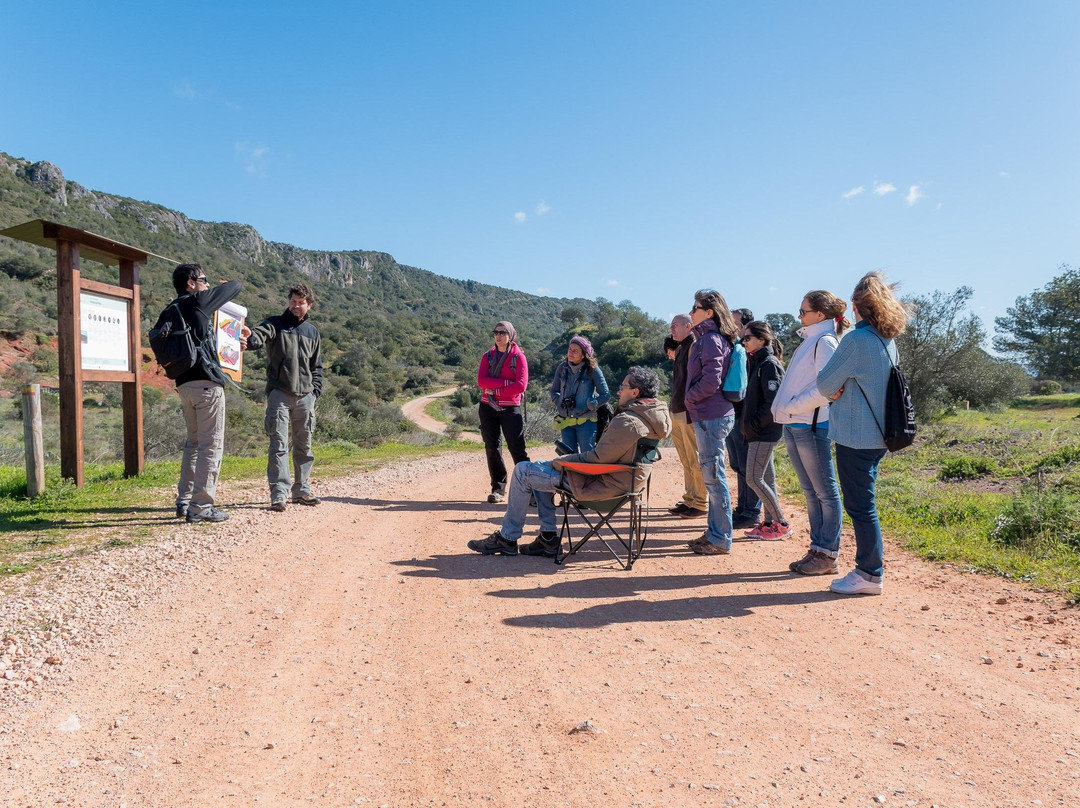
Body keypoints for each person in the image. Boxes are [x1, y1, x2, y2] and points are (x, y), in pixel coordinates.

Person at [467, 367, 671, 557]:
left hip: (602, 486)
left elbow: (598, 459)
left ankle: (507, 538)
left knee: (523, 471)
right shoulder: (655, 417)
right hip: (626, 483)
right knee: (539, 471)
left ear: (635, 392)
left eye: (623, 387)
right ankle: (548, 539)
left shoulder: (629, 421)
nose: (619, 392)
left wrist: (562, 461)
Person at [816, 271, 909, 595]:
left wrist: (837, 389)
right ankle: (870, 570)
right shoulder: (887, 341)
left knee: (860, 506)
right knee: (864, 502)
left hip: (855, 436)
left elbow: (825, 383)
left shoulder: (856, 340)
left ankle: (870, 573)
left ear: (857, 306)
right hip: (879, 435)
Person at [772, 290, 850, 576]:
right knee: (811, 491)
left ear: (820, 314)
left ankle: (828, 554)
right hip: (796, 423)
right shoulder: (812, 340)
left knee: (825, 493)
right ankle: (818, 549)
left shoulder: (825, 341)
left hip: (811, 425)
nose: (799, 315)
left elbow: (827, 388)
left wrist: (792, 406)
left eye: (803, 311)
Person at [240, 283, 324, 512]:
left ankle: (302, 490)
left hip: (306, 397)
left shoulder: (312, 332)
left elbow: (317, 366)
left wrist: (315, 391)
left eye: (301, 302)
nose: (296, 306)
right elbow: (259, 335)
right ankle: (279, 494)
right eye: (293, 301)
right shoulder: (275, 323)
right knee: (278, 445)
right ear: (288, 302)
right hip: (279, 393)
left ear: (309, 305)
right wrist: (250, 338)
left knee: (304, 446)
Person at [171, 263, 242, 524]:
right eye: (204, 279)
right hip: (206, 385)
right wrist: (224, 284)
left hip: (184, 385)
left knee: (193, 444)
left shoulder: (172, 308)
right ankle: (201, 507)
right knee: (210, 445)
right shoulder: (196, 302)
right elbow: (236, 286)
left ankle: (184, 501)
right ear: (191, 283)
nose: (207, 284)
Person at [684, 289, 742, 556]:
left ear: (708, 312)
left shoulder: (709, 339)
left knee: (714, 477)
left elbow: (711, 381)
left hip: (711, 414)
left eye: (695, 308)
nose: (690, 312)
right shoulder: (712, 338)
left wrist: (689, 399)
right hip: (712, 413)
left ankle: (720, 538)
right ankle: (714, 533)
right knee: (712, 476)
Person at [738, 321, 791, 541]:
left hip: (764, 432)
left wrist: (753, 426)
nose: (744, 342)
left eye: (747, 338)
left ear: (761, 339)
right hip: (758, 431)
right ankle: (769, 524)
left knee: (753, 478)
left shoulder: (768, 364)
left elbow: (773, 402)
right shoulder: (757, 362)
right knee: (766, 479)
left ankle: (782, 523)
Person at [477, 321, 530, 503]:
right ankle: (498, 489)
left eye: (503, 332)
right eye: (496, 332)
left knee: (517, 449)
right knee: (492, 447)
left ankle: (531, 490)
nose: (499, 336)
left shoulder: (518, 357)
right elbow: (482, 382)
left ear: (511, 335)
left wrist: (497, 389)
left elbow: (521, 385)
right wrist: (507, 384)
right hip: (487, 407)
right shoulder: (488, 356)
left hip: (510, 408)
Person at [666, 314, 708, 519]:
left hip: (688, 410)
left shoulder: (694, 346)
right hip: (676, 409)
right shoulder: (682, 347)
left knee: (694, 458)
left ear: (688, 326)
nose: (671, 329)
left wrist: (691, 402)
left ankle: (700, 503)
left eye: (675, 326)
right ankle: (690, 499)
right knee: (685, 459)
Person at [727, 308, 762, 529]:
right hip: (734, 416)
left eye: (736, 323)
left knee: (749, 468)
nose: (732, 326)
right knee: (739, 466)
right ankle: (742, 509)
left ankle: (751, 512)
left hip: (745, 420)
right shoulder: (736, 349)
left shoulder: (752, 356)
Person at [549, 335, 610, 453]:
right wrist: (558, 401)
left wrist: (592, 404)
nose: (570, 353)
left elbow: (606, 394)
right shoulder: (562, 368)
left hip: (586, 420)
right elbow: (553, 390)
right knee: (568, 457)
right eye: (569, 349)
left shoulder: (592, 369)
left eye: (575, 351)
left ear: (583, 354)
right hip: (565, 420)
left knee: (588, 456)